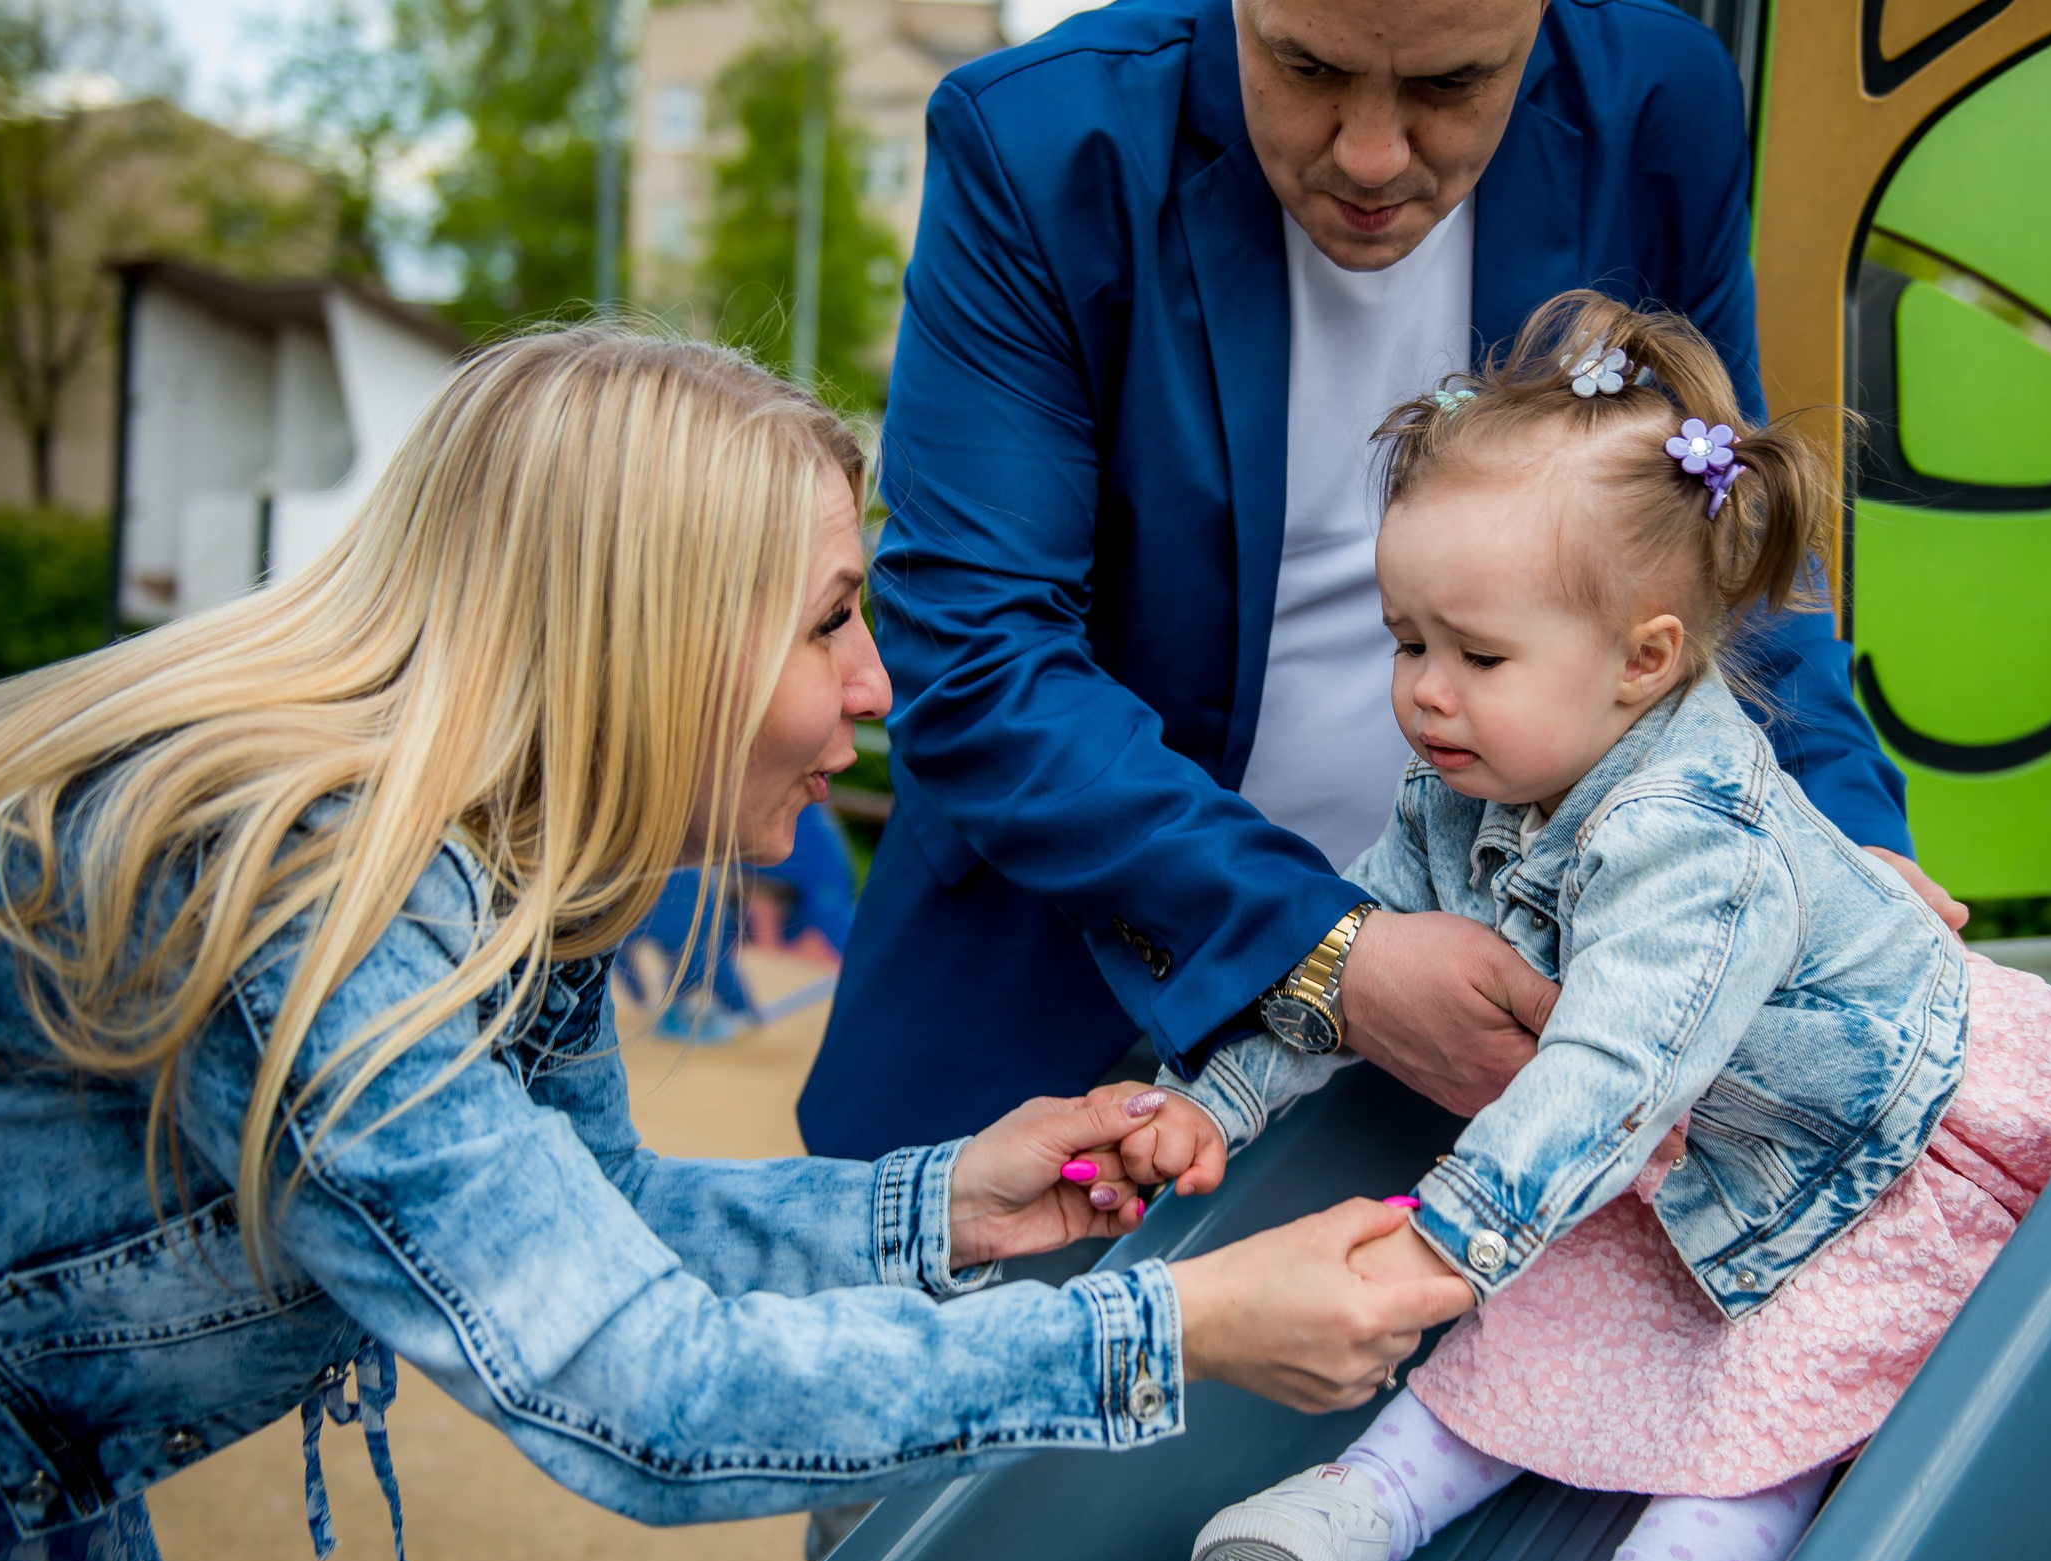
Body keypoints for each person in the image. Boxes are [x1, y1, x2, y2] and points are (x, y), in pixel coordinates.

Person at [0, 328, 1472, 1561]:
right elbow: (641, 1387)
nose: (877, 688)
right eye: (833, 617)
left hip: (11, 1470)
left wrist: (938, 1209)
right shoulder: (311, 894)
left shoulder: (513, 880)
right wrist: (1176, 1325)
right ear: (652, 628)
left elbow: (606, 1219)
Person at [1118, 294, 2051, 1561]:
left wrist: (1445, 1247)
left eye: (1477, 656)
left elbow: (1610, 1068)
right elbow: (1347, 963)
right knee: (1536, 1326)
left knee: (1782, 1421)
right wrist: (1207, 1104)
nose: (1425, 694)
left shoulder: (1698, 839)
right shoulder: (1464, 793)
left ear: (1645, 659)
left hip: (1876, 1165)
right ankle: (1346, 1515)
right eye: (1408, 642)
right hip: (1683, 1162)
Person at [800, 0, 1965, 1164]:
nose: (1368, 153)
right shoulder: (1044, 142)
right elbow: (974, 649)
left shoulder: (1657, 104)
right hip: (1050, 1005)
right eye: (1304, 65)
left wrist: (1843, 843)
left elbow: (1710, 534)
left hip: (1511, 1019)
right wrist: (1329, 947)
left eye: (1451, 85)